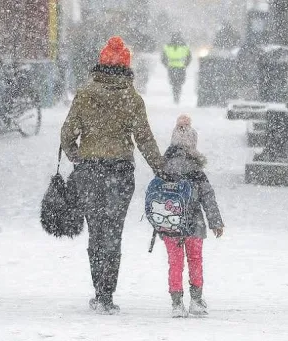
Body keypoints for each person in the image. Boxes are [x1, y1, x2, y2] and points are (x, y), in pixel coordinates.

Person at [61, 36, 164, 315]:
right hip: (120, 171)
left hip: (90, 170)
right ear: (126, 67)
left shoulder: (85, 94)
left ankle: (98, 290)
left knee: (96, 232)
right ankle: (108, 294)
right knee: (113, 233)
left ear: (101, 63)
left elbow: (67, 135)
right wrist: (160, 168)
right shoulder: (131, 97)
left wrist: (77, 158)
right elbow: (144, 139)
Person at [160, 114, 225, 317]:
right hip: (194, 224)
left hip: (170, 224)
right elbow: (208, 197)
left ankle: (176, 303)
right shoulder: (196, 169)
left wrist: (159, 222)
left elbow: (157, 198)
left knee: (175, 263)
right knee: (195, 260)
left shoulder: (163, 168)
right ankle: (196, 300)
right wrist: (215, 222)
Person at [162, 32, 192, 104]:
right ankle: (176, 97)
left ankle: (176, 97)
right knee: (177, 83)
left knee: (175, 83)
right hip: (180, 68)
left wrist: (166, 64)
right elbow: (189, 57)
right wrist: (185, 64)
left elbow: (163, 58)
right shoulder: (184, 46)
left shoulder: (167, 46)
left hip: (173, 67)